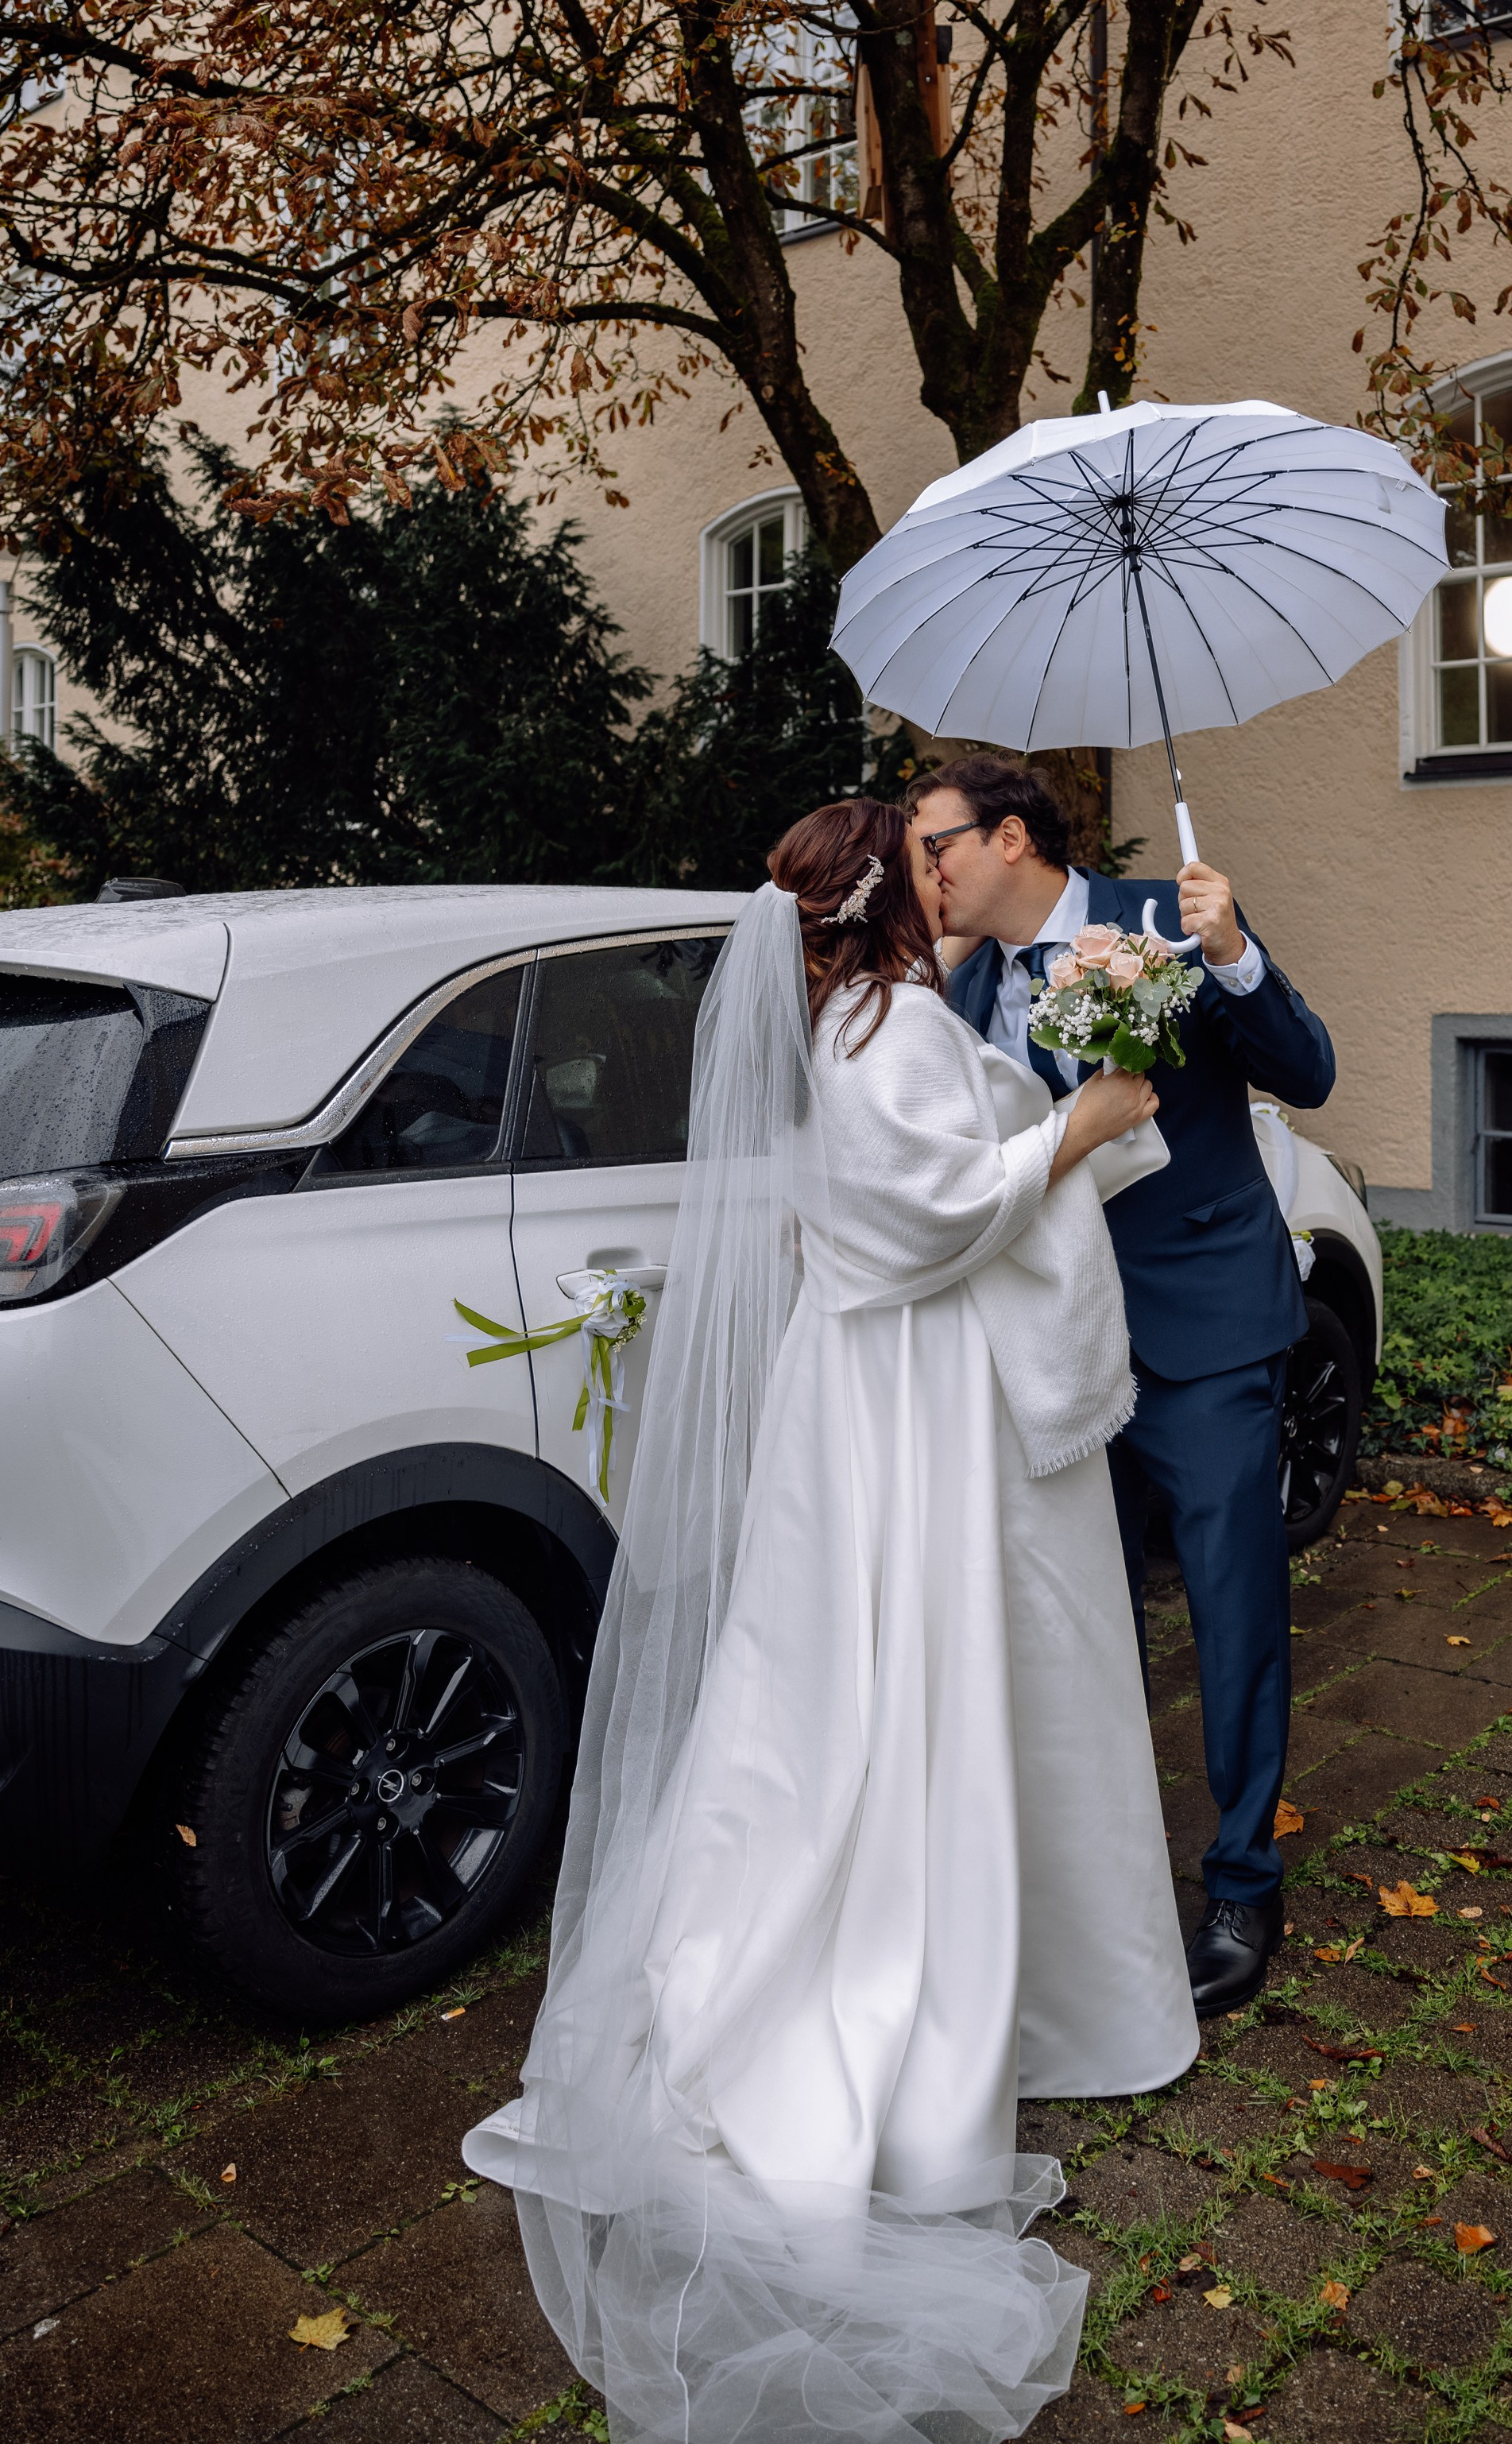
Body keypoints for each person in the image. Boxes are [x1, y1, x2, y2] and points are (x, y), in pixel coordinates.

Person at [465, 796, 1197, 2444]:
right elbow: (928, 1216)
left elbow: (898, 1195)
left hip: (860, 1385)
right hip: (898, 1398)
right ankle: (877, 2005)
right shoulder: (885, 1029)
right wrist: (1080, 1124)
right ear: (887, 892)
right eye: (926, 858)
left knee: (832, 1686)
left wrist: (1086, 1092)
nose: (949, 871)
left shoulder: (853, 1020)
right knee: (890, 1683)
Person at [911, 755, 1336, 2021]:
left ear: (1010, 837)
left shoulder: (1169, 918)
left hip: (1204, 1331)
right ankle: (1101, 1881)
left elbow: (1308, 1070)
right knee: (1078, 1621)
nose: (923, 871)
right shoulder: (965, 985)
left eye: (934, 846)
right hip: (1056, 1349)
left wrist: (1236, 952)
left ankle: (1245, 1882)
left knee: (1231, 1609)